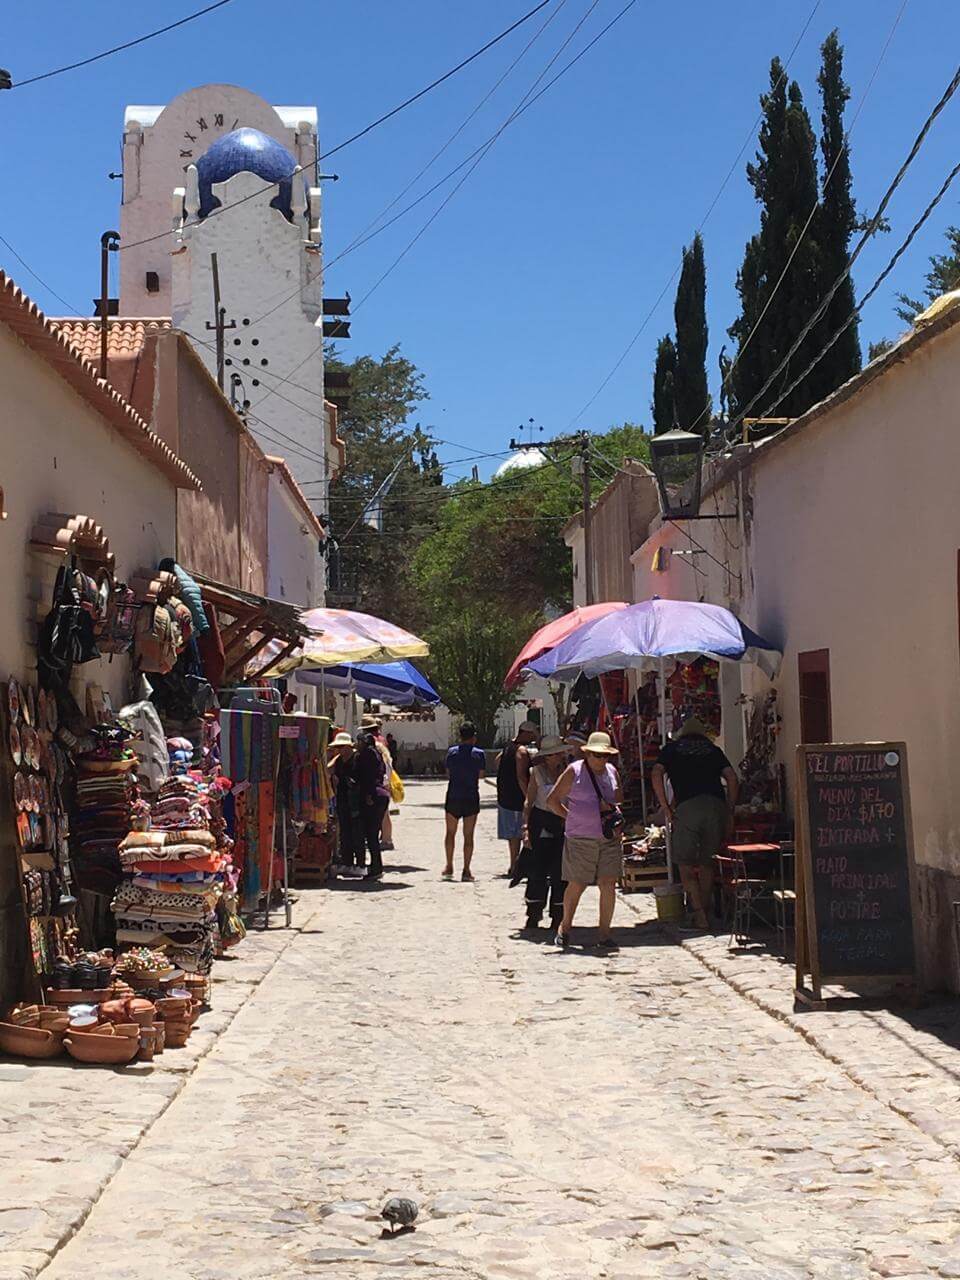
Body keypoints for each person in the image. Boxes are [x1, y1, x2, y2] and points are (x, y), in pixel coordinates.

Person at [652, 716, 739, 931]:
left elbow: (656, 773)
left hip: (688, 808)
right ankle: (707, 911)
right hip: (715, 806)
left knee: (685, 864)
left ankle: (698, 915)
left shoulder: (672, 750)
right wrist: (729, 810)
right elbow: (732, 779)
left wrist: (664, 805)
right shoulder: (713, 750)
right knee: (708, 862)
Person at [547, 731, 623, 949]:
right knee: (577, 883)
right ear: (588, 753)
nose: (601, 759)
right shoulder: (574, 772)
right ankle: (565, 927)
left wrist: (610, 811)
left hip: (609, 838)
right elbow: (553, 800)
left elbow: (619, 798)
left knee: (608, 884)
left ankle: (604, 935)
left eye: (604, 756)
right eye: (597, 755)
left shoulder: (611, 772)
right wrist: (571, 817)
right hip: (580, 838)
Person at [521, 736, 569, 932]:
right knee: (537, 871)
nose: (560, 756)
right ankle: (534, 913)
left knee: (560, 872)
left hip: (562, 822)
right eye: (557, 753)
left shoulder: (568, 772)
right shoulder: (537, 773)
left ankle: (557, 916)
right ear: (548, 757)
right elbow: (529, 802)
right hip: (540, 823)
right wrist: (525, 829)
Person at [442, 722, 486, 881]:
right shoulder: (479, 754)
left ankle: (449, 865)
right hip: (471, 796)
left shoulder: (452, 752)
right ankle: (466, 869)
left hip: (453, 795)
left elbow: (448, 773)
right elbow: (481, 775)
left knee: (450, 833)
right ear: (473, 737)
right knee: (468, 835)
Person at [495, 721, 539, 876]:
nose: (533, 738)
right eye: (532, 735)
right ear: (525, 733)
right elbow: (521, 777)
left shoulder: (508, 746)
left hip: (504, 794)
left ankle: (514, 864)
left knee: (512, 834)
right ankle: (515, 866)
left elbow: (497, 760)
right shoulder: (521, 751)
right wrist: (528, 797)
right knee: (516, 834)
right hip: (515, 798)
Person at [353, 731, 390, 881]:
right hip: (381, 795)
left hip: (373, 796)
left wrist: (368, 795)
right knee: (372, 835)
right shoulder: (377, 754)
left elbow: (367, 776)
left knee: (371, 835)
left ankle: (376, 868)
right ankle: (376, 867)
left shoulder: (366, 755)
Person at [328, 732, 361, 876]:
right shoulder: (339, 761)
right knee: (345, 833)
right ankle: (347, 861)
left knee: (357, 833)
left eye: (342, 747)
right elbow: (327, 769)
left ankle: (359, 863)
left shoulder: (357, 759)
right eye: (338, 747)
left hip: (355, 801)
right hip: (342, 799)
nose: (340, 749)